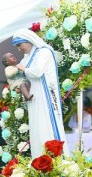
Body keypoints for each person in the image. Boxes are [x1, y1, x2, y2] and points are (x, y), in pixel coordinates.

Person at [11, 29, 68, 157]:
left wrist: (23, 69)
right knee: (37, 129)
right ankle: (39, 160)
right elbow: (23, 77)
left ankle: (55, 161)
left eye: (19, 45)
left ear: (28, 40)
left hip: (45, 97)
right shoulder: (27, 57)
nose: (19, 49)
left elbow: (37, 72)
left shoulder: (44, 52)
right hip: (34, 98)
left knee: (46, 127)